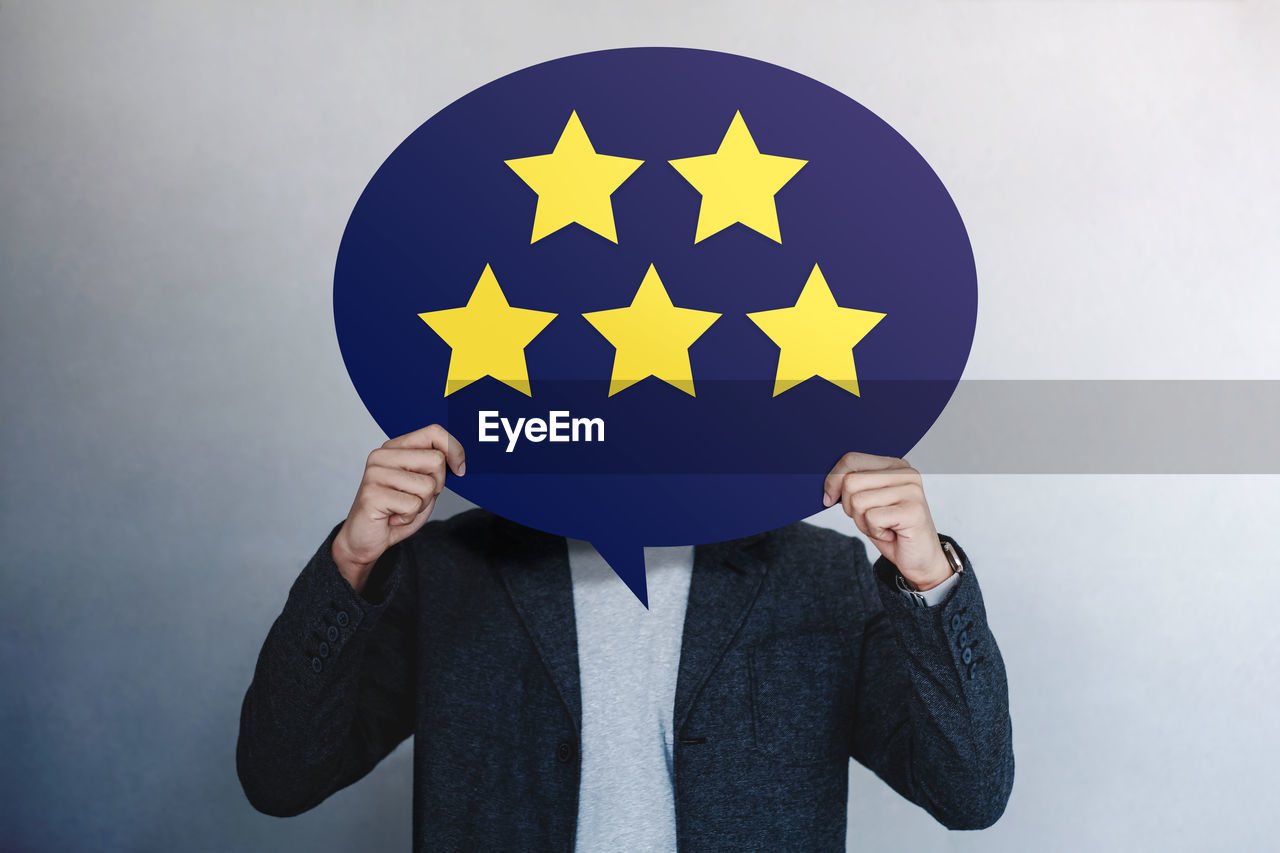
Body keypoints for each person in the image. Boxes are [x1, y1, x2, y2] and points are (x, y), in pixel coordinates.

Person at [237, 424, 1013, 851]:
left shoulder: (822, 571)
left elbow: (970, 794)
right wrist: (353, 561)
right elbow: (279, 778)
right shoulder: (451, 566)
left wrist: (925, 576)